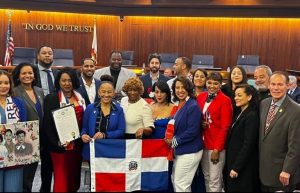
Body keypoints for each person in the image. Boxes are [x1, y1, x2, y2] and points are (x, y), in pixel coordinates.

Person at [42, 67, 85, 192]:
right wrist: (57, 142)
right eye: (64, 80)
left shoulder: (80, 97)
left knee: (73, 176)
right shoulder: (52, 98)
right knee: (61, 178)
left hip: (77, 146)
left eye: (70, 80)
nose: (67, 83)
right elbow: (47, 125)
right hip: (59, 147)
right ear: (59, 82)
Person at [259, 71, 300, 192]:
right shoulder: (264, 104)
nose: (276, 88)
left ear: (288, 86)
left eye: (280, 84)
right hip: (264, 171)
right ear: (269, 85)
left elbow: (295, 146)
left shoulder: (296, 110)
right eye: (273, 84)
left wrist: (287, 170)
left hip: (282, 174)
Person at [165, 76, 203, 192]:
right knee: (175, 180)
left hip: (190, 150)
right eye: (177, 88)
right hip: (180, 150)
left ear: (188, 88)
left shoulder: (193, 106)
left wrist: (174, 141)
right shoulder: (180, 104)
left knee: (181, 184)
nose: (180, 90)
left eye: (183, 87)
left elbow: (192, 131)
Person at [197, 72, 232, 192]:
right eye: (209, 83)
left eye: (215, 83)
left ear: (220, 84)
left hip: (216, 146)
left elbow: (225, 127)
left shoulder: (225, 100)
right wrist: (200, 123)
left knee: (215, 180)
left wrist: (217, 149)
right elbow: (198, 116)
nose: (212, 86)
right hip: (202, 143)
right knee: (206, 177)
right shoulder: (201, 96)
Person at [12, 62, 44, 192]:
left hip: (38, 139)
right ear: (18, 76)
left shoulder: (39, 91)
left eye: (30, 73)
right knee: (21, 176)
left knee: (31, 174)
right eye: (24, 73)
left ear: (34, 75)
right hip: (22, 140)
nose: (27, 75)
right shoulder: (14, 92)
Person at [81, 75, 125, 161]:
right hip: (93, 149)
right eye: (103, 92)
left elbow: (121, 131)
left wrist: (105, 135)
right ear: (98, 92)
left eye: (109, 92)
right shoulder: (90, 108)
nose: (106, 95)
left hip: (111, 150)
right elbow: (85, 128)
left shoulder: (119, 109)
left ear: (113, 93)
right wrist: (83, 135)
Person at [225, 84, 260, 192]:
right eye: (235, 95)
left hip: (243, 167)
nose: (236, 98)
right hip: (233, 161)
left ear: (249, 97)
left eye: (239, 95)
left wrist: (236, 167)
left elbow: (248, 145)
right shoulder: (240, 112)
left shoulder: (252, 116)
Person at [0, 70, 27, 192]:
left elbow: (24, 127)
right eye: (0, 83)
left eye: (6, 83)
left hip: (14, 156)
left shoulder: (18, 102)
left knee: (13, 188)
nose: (3, 86)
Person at [36, 45, 58, 192]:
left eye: (50, 53)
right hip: (38, 121)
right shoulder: (31, 73)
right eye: (44, 53)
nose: (47, 56)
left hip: (56, 122)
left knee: (54, 159)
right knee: (44, 162)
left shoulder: (57, 74)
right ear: (38, 56)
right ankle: (44, 188)